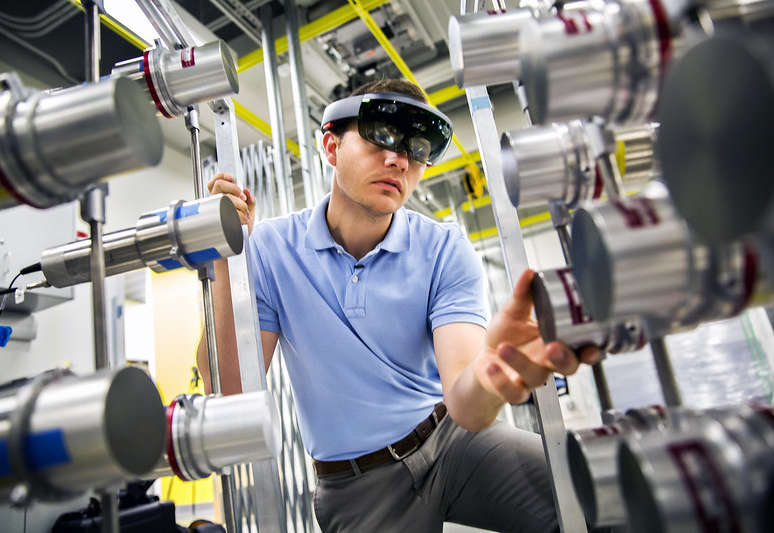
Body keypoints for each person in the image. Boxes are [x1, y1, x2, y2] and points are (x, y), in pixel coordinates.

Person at [197, 79, 602, 532]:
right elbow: (228, 388)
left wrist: (494, 370)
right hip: (358, 487)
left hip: (453, 443)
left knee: (598, 495)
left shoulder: (444, 248)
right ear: (331, 147)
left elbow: (467, 403)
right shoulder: (272, 249)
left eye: (417, 147)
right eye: (381, 137)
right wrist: (224, 258)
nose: (399, 159)